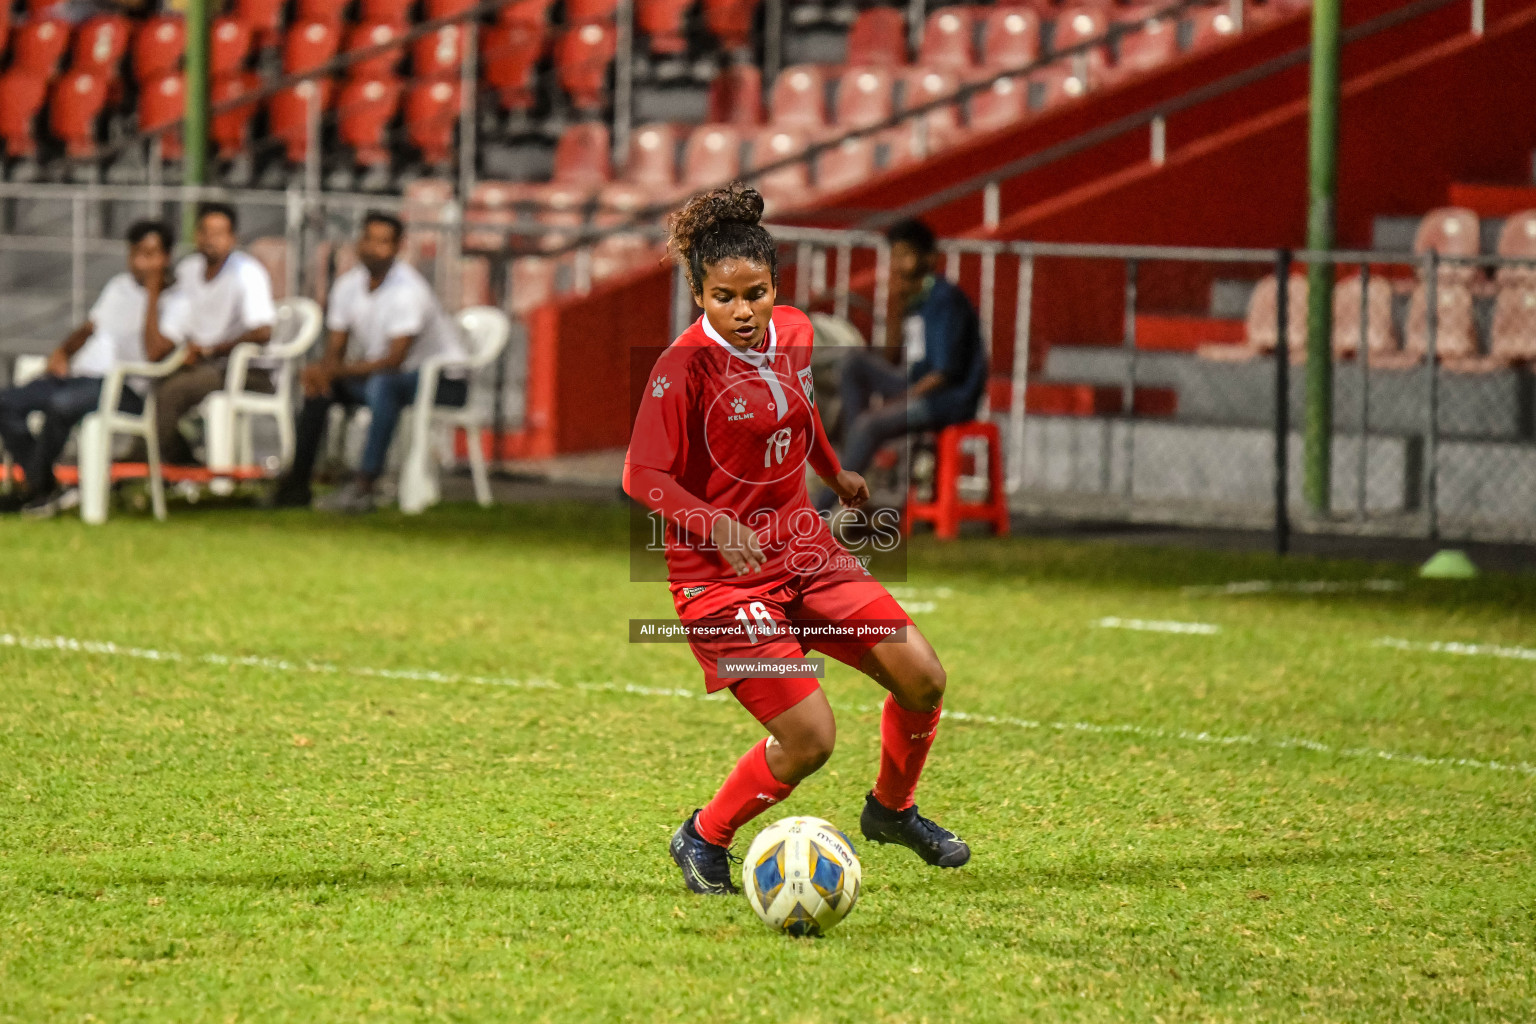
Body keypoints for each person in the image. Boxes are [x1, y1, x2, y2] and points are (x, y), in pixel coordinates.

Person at [622, 183, 970, 897]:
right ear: (698, 293)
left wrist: (836, 475)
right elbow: (641, 475)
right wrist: (714, 521)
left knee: (923, 677)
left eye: (755, 292)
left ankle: (891, 811)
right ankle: (703, 835)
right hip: (719, 582)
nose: (742, 310)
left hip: (806, 550)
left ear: (776, 287)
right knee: (811, 739)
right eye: (724, 296)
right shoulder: (681, 370)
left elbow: (800, 412)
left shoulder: (797, 332)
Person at [271, 211, 468, 514]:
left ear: (398, 247)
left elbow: (395, 359)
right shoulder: (348, 286)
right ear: (358, 242)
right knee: (320, 388)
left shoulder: (409, 291)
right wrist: (325, 374)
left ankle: (365, 485)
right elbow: (335, 348)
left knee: (383, 385)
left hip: (444, 382)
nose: (374, 248)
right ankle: (298, 482)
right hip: (392, 378)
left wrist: (334, 370)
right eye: (369, 239)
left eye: (383, 242)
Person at [0, 220, 187, 517]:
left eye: (151, 254)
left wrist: (152, 295)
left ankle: (37, 488)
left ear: (166, 257)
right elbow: (90, 327)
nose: (142, 262)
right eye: (137, 253)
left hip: (125, 388)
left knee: (61, 406)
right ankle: (43, 485)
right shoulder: (118, 287)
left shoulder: (179, 301)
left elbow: (155, 352)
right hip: (79, 377)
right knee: (7, 402)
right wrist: (62, 351)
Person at [814, 218, 987, 514]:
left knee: (871, 424)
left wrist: (895, 404)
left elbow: (945, 373)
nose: (897, 263)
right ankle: (856, 455)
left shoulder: (944, 300)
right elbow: (890, 360)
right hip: (916, 384)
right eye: (894, 255)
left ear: (928, 258)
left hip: (947, 398)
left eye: (905, 255)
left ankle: (816, 510)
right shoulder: (913, 298)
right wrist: (894, 309)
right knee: (853, 363)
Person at [151, 201, 277, 467]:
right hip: (203, 365)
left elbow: (263, 331)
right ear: (196, 234)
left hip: (247, 370)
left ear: (233, 238)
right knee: (150, 381)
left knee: (174, 391)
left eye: (219, 234)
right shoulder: (188, 270)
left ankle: (179, 465)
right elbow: (177, 323)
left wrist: (211, 349)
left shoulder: (247, 273)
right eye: (206, 232)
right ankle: (162, 460)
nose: (211, 240)